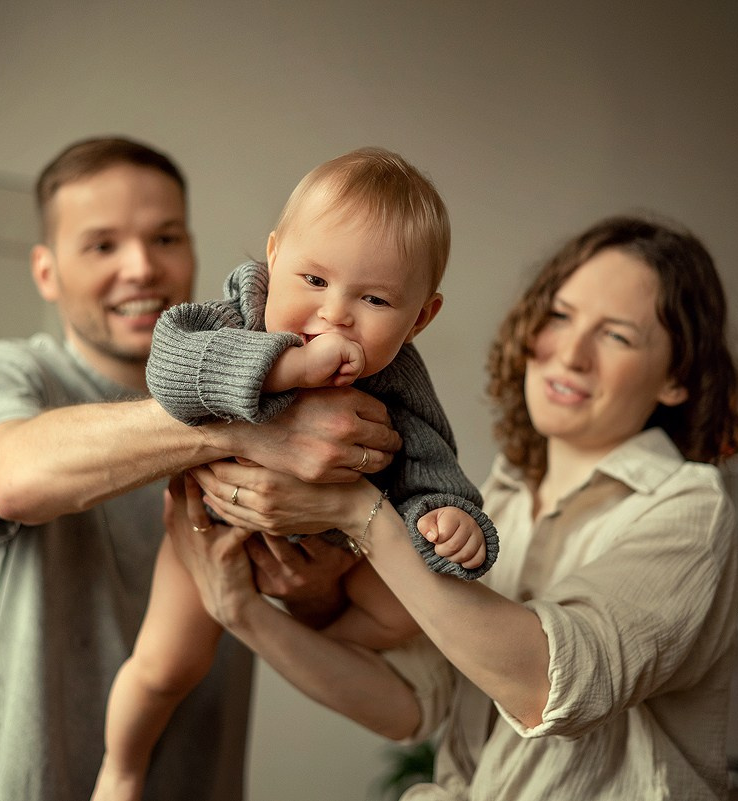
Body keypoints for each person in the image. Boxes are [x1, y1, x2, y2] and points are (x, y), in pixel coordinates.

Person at [167, 214, 738, 800]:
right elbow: (409, 703)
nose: (571, 354)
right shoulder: (500, 499)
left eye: (617, 336)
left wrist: (357, 511)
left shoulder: (688, 509)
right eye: (560, 316)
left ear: (677, 378)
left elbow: (549, 687)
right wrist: (241, 611)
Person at [0, 136, 403, 801]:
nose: (141, 268)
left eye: (165, 238)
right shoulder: (6, 374)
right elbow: (13, 480)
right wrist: (248, 423)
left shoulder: (262, 357)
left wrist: (312, 588)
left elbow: (332, 633)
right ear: (46, 271)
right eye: (102, 245)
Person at [92, 147, 500, 801]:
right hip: (214, 531)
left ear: (420, 317)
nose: (335, 313)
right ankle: (121, 769)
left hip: (327, 548)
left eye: (374, 298)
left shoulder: (399, 379)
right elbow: (169, 366)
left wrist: (448, 516)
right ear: (274, 256)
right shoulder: (239, 315)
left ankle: (312, 627)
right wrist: (287, 368)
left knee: (402, 613)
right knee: (166, 666)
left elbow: (430, 460)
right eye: (313, 279)